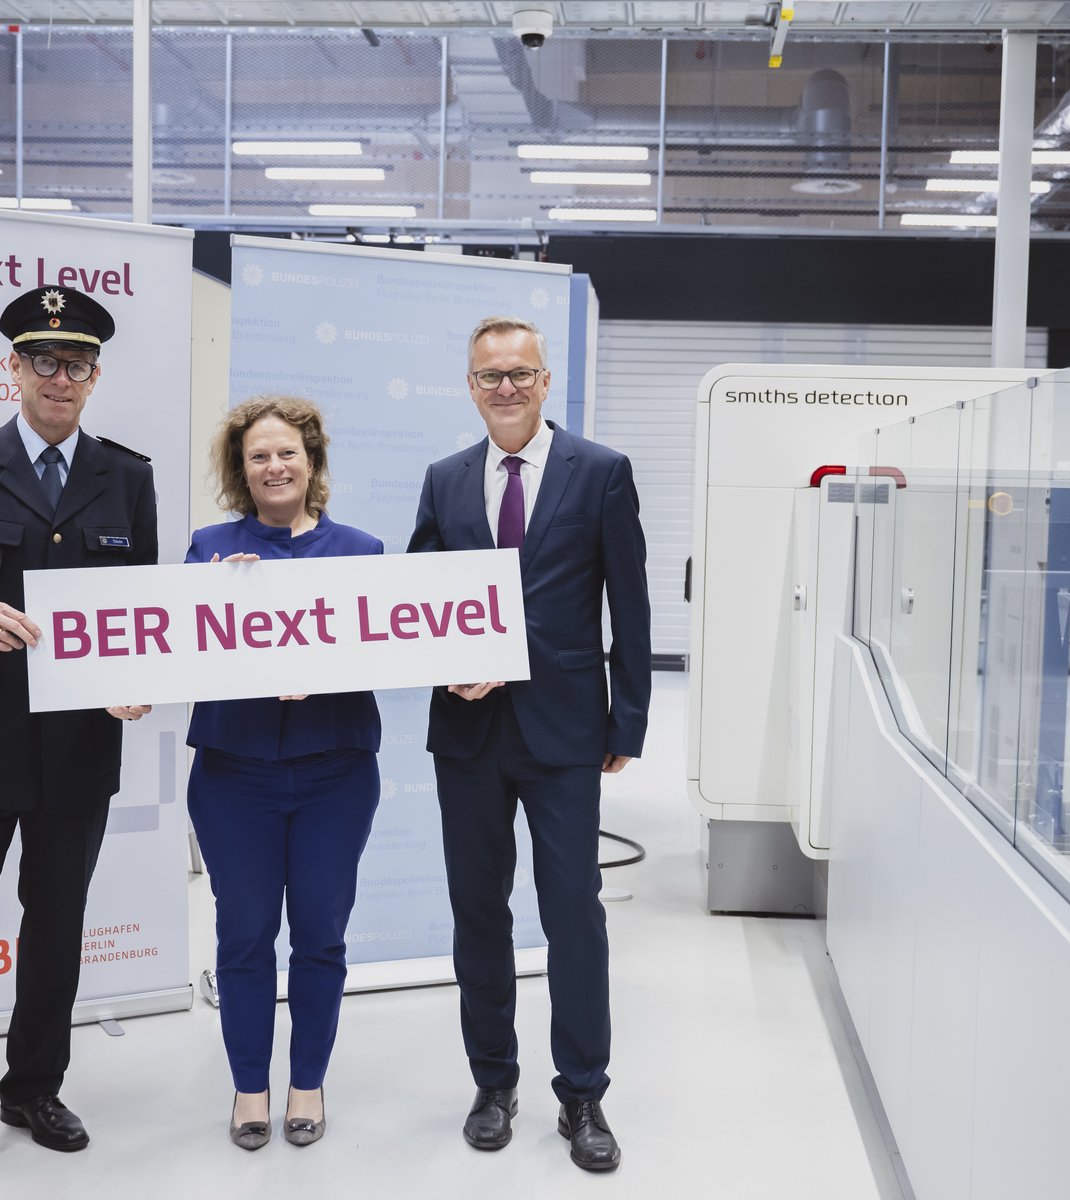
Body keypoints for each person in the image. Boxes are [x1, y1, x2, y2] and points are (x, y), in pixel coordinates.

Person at [407, 315, 651, 1172]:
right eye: (489, 376)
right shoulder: (444, 479)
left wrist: (627, 720)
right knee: (479, 911)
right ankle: (493, 1083)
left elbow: (630, 602)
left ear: (545, 381)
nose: (505, 387)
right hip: (469, 733)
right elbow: (418, 603)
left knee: (572, 912)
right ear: (470, 386)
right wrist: (447, 665)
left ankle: (582, 1093)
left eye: (520, 373)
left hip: (565, 730)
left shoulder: (601, 471)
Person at [186, 396, 382, 1151]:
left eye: (287, 453)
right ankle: (248, 1087)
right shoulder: (209, 550)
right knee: (242, 937)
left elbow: (386, 651)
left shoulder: (362, 551)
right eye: (259, 456)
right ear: (241, 469)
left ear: (312, 461)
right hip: (233, 776)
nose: (274, 467)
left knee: (321, 936)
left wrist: (325, 673)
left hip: (336, 774)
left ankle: (307, 1083)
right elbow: (176, 649)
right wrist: (218, 597)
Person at [0, 286, 157, 1152]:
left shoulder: (127, 477)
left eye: (77, 365)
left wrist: (140, 678)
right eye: (43, 360)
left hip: (79, 745)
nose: (60, 378)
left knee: (57, 923)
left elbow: (143, 611)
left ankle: (32, 1088)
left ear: (95, 378)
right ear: (13, 368)